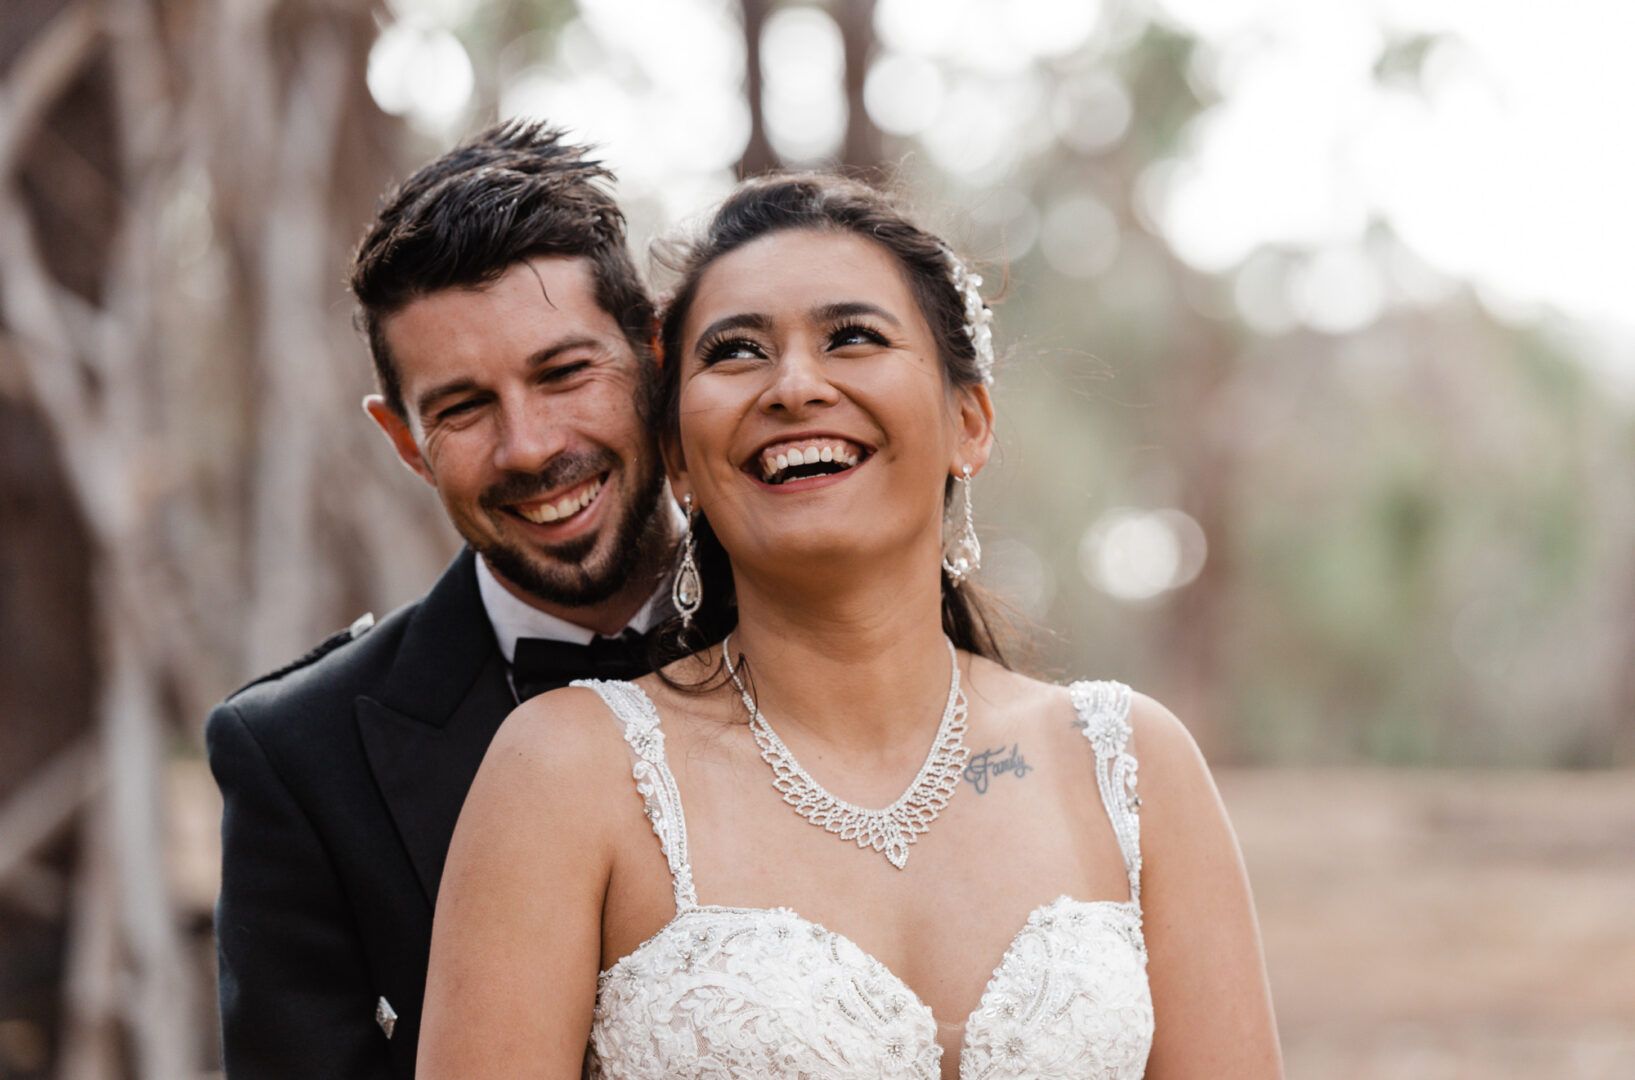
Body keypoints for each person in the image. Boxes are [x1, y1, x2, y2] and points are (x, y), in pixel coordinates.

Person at [417, 173, 1283, 1078]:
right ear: (676, 455)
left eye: (853, 337)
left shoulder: (1130, 766)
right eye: (737, 352)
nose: (794, 386)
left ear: (969, 423)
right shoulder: (566, 772)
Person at [205, 121, 680, 1079]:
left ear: (655, 356)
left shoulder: (837, 642)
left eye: (564, 372)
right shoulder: (299, 757)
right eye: (462, 408)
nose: (530, 447)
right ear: (404, 440)